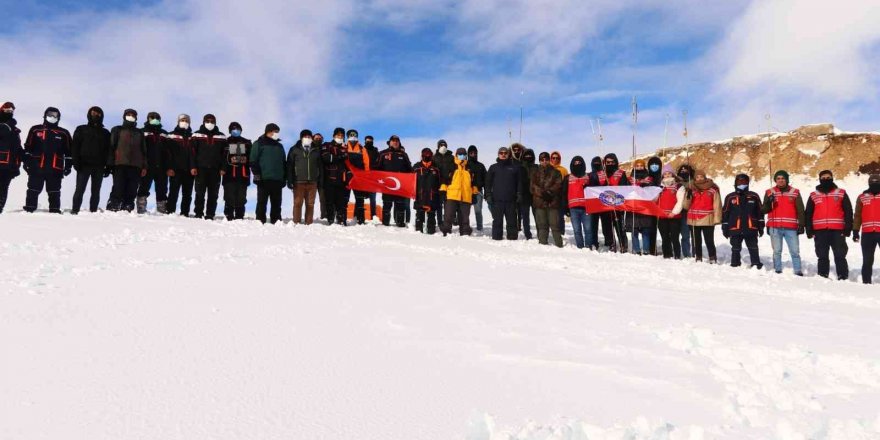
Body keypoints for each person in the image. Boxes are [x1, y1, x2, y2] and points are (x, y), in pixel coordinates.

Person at [22, 107, 72, 213]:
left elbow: (69, 152)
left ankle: (54, 210)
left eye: (55, 115)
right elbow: (28, 147)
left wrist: (68, 166)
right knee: (33, 189)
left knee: (54, 190)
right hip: (36, 166)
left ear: (58, 118)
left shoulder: (64, 133)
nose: (52, 117)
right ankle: (29, 209)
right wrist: (26, 162)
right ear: (45, 115)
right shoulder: (35, 129)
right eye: (50, 114)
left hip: (55, 168)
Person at [805, 170, 853, 280]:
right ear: (820, 179)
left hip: (837, 230)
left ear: (832, 178)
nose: (826, 179)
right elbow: (808, 213)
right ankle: (822, 275)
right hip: (820, 231)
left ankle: (843, 275)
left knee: (840, 255)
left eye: (828, 177)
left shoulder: (841, 193)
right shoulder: (813, 195)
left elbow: (848, 211)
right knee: (822, 255)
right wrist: (809, 229)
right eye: (823, 177)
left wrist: (848, 228)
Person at [762, 170, 805, 275]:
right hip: (774, 227)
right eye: (778, 179)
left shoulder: (795, 192)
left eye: (783, 178)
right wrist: (769, 202)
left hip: (791, 227)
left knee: (795, 251)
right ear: (775, 180)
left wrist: (802, 224)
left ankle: (798, 270)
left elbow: (800, 210)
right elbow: (764, 210)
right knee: (777, 251)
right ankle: (777, 269)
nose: (780, 181)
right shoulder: (769, 192)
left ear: (786, 180)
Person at [70, 106, 110, 214]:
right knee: (80, 189)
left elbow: (108, 151)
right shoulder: (81, 129)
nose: (96, 115)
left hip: (99, 166)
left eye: (98, 114)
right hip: (84, 165)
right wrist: (75, 162)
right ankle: (75, 210)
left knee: (96, 191)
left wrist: (108, 166)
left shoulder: (106, 133)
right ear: (89, 114)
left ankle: (93, 211)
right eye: (93, 113)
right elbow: (75, 146)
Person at [106, 109, 146, 212]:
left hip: (136, 166)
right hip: (120, 163)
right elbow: (111, 146)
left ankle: (128, 207)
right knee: (118, 187)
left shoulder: (139, 132)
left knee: (132, 189)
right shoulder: (117, 129)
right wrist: (110, 163)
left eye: (133, 115)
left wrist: (144, 166)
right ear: (124, 116)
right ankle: (113, 205)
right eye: (128, 114)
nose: (131, 116)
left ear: (136, 118)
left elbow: (144, 150)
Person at [721, 173, 764, 268]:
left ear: (748, 183)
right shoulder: (730, 197)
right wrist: (725, 227)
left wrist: (761, 226)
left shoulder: (754, 196)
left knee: (753, 247)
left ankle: (756, 263)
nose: (742, 183)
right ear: (735, 183)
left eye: (744, 181)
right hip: (735, 227)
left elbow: (760, 212)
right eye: (739, 181)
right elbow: (725, 213)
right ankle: (735, 263)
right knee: (735, 248)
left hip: (750, 227)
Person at [191, 114, 228, 220]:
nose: (210, 123)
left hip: (215, 170)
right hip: (200, 169)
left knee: (213, 194)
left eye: (212, 121)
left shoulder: (221, 136)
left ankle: (210, 214)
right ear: (203, 121)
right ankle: (198, 213)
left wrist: (223, 168)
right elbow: (192, 152)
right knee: (199, 193)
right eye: (208, 121)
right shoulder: (196, 135)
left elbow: (225, 154)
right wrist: (193, 166)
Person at [250, 123, 286, 224]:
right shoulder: (259, 143)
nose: (276, 134)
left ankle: (276, 221)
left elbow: (284, 163)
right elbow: (253, 161)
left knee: (277, 204)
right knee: (262, 203)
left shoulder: (280, 146)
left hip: (277, 180)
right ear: (268, 132)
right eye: (275, 131)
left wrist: (284, 178)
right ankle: (260, 222)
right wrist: (257, 176)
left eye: (277, 132)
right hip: (263, 179)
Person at [684, 170, 721, 263]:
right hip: (694, 218)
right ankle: (698, 257)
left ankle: (712, 257)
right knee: (697, 241)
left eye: (701, 176)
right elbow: (685, 206)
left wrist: (717, 219)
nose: (699, 178)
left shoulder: (713, 189)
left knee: (709, 240)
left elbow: (717, 205)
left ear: (705, 177)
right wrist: (687, 196)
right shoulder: (691, 189)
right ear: (695, 178)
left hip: (707, 218)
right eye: (697, 177)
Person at [136, 112, 170, 214]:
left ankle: (162, 208)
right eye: (152, 117)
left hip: (162, 166)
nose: (154, 119)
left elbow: (168, 151)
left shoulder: (164, 133)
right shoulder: (142, 132)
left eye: (157, 118)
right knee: (143, 186)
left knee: (162, 188)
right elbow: (139, 150)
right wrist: (142, 165)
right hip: (147, 166)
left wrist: (168, 166)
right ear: (148, 119)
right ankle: (141, 208)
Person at [376, 134, 412, 227]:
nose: (395, 142)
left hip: (400, 185)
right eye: (393, 141)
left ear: (399, 143)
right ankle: (385, 223)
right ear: (390, 142)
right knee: (387, 204)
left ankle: (400, 223)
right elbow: (377, 168)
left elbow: (410, 169)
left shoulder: (403, 154)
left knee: (400, 205)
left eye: (397, 141)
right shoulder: (383, 153)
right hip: (387, 184)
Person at [287, 129, 322, 225]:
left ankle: (309, 223)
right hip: (298, 181)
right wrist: (289, 179)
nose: (307, 138)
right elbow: (289, 165)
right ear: (301, 138)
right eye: (305, 137)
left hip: (313, 182)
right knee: (297, 203)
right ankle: (296, 222)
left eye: (309, 137)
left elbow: (320, 166)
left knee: (310, 204)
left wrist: (320, 179)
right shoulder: (294, 149)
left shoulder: (316, 150)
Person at [485, 146, 520, 240]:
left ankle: (512, 239)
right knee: (497, 221)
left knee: (512, 221)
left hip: (511, 200)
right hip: (497, 200)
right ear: (498, 154)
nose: (503, 154)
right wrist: (488, 195)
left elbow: (519, 183)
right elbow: (487, 183)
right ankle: (497, 238)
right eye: (501, 153)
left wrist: (519, 194)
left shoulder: (514, 168)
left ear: (508, 154)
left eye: (505, 153)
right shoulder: (493, 167)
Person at [440, 147, 476, 236]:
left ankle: (465, 232)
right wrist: (443, 191)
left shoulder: (469, 168)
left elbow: (473, 183)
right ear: (456, 155)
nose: (462, 156)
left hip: (466, 196)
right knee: (448, 216)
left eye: (464, 155)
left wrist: (474, 194)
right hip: (452, 195)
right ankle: (446, 231)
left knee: (464, 218)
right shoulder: (451, 166)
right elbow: (444, 180)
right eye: (460, 154)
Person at [531, 152, 564, 247]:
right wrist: (542, 193)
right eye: (542, 160)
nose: (544, 161)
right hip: (539, 202)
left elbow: (558, 184)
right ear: (539, 161)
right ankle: (542, 244)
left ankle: (559, 245)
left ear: (549, 160)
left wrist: (549, 192)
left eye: (546, 159)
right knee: (542, 225)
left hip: (552, 202)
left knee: (555, 225)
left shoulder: (556, 172)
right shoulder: (535, 172)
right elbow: (532, 186)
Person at [599, 153, 630, 252]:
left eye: (612, 162)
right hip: (605, 204)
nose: (610, 164)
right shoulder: (602, 174)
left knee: (619, 225)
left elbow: (625, 187)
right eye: (608, 162)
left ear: (615, 162)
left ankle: (623, 244)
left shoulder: (621, 173)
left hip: (618, 204)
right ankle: (611, 243)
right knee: (607, 226)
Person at [853, 174, 880, 284]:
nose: (874, 184)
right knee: (867, 260)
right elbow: (857, 215)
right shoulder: (862, 197)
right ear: (869, 183)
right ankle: (866, 282)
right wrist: (855, 231)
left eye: (877, 182)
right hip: (867, 233)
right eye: (872, 182)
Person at [320, 127, 351, 225]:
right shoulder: (327, 145)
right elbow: (326, 158)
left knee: (341, 202)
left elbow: (349, 163)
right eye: (338, 135)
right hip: (329, 178)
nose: (340, 137)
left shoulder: (345, 147)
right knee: (329, 201)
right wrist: (340, 157)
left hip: (342, 180)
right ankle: (330, 219)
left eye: (342, 136)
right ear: (334, 136)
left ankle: (341, 220)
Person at [166, 114, 195, 216]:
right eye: (182, 120)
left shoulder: (193, 137)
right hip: (175, 169)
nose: (184, 122)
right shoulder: (170, 135)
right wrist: (169, 167)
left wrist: (193, 167)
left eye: (186, 120)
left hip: (189, 170)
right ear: (178, 121)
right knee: (173, 192)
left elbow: (194, 154)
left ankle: (185, 213)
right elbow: (167, 153)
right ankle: (170, 211)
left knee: (187, 194)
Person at [222, 121, 251, 220]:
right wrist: (228, 162)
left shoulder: (247, 142)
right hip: (229, 174)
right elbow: (222, 157)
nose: (236, 131)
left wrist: (246, 159)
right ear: (230, 130)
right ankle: (228, 216)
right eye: (234, 129)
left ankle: (239, 216)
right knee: (229, 196)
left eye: (238, 129)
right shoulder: (225, 142)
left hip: (243, 175)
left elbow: (251, 158)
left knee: (241, 197)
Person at [626, 159, 655, 255]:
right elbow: (625, 189)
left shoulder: (649, 178)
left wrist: (641, 183)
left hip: (644, 207)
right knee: (634, 231)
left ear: (644, 166)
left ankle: (646, 250)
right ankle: (636, 249)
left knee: (645, 230)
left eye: (641, 165)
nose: (639, 167)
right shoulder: (630, 179)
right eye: (637, 165)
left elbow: (651, 189)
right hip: (633, 207)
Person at [564, 155, 592, 249]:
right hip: (573, 208)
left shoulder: (588, 177)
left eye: (579, 163)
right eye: (575, 163)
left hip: (586, 207)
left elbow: (594, 191)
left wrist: (588, 187)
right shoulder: (567, 177)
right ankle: (580, 247)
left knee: (588, 229)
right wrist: (565, 208)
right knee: (577, 230)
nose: (577, 165)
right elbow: (564, 193)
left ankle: (588, 247)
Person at [344, 129, 372, 224]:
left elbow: (366, 163)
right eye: (351, 135)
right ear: (347, 136)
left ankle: (360, 219)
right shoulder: (344, 147)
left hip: (359, 177)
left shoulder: (362, 148)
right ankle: (342, 219)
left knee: (360, 199)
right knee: (344, 199)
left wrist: (366, 177)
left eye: (354, 135)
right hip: (346, 177)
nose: (353, 136)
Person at [657, 166, 685, 259]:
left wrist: (674, 212)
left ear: (673, 174)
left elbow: (680, 201)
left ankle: (677, 254)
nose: (667, 175)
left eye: (669, 173)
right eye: (665, 173)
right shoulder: (660, 187)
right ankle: (667, 254)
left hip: (674, 216)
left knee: (674, 237)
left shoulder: (679, 186)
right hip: (662, 215)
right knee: (665, 237)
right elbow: (655, 200)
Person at [0, 102, 23, 214]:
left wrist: (26, 156)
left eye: (11, 110)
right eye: (6, 109)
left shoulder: (14, 130)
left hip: (9, 165)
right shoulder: (6, 126)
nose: (9, 112)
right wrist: (8, 125)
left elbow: (17, 147)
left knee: (4, 188)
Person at [413, 148, 441, 234]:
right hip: (420, 196)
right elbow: (409, 180)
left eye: (429, 155)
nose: (427, 156)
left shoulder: (436, 168)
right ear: (422, 156)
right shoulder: (416, 167)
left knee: (432, 220)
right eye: (425, 155)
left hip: (432, 197)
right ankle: (418, 236)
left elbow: (440, 182)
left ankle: (431, 236)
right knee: (419, 218)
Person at [677, 163, 695, 258]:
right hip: (681, 212)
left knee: (694, 235)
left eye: (686, 170)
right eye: (682, 170)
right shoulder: (676, 182)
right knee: (685, 234)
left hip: (694, 211)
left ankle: (696, 253)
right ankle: (686, 253)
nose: (684, 172)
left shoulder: (694, 182)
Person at [646, 156, 663, 255]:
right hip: (651, 208)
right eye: (652, 165)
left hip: (663, 207)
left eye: (656, 164)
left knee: (664, 231)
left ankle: (667, 249)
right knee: (652, 230)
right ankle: (652, 250)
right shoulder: (647, 177)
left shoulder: (663, 177)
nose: (654, 166)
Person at [467, 145, 487, 231]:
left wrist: (487, 192)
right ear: (468, 154)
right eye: (471, 153)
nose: (473, 154)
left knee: (478, 211)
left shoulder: (481, 166)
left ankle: (480, 228)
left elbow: (486, 180)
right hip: (467, 191)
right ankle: (465, 227)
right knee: (465, 211)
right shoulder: (465, 165)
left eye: (475, 153)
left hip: (478, 191)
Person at [434, 139, 454, 224]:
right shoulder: (434, 157)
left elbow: (454, 169)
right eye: (441, 145)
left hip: (449, 184)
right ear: (438, 146)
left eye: (444, 145)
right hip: (438, 184)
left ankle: (447, 221)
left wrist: (451, 176)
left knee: (448, 205)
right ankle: (439, 221)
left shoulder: (451, 157)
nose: (443, 147)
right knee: (438, 204)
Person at [550, 151, 568, 234]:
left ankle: (561, 232)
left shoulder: (563, 170)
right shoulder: (547, 168)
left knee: (560, 215)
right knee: (551, 215)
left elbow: (566, 183)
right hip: (549, 196)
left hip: (560, 196)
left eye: (557, 158)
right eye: (553, 158)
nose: (555, 159)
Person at [364, 135, 380, 219]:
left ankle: (373, 216)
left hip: (373, 177)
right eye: (367, 140)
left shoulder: (376, 152)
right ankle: (359, 215)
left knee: (372, 198)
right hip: (363, 177)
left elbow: (379, 163)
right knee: (360, 197)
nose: (369, 141)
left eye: (370, 140)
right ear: (365, 141)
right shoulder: (362, 150)